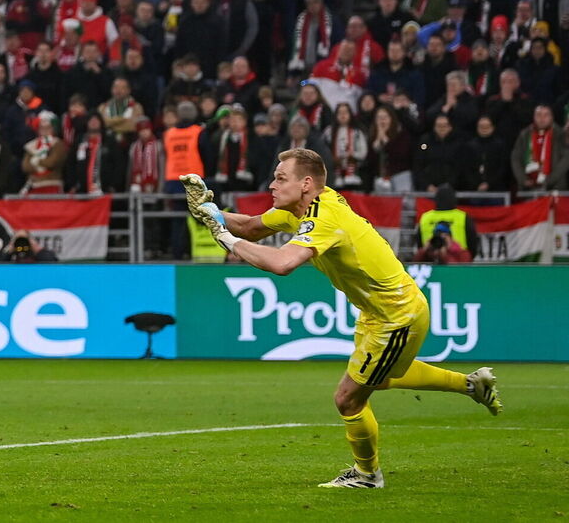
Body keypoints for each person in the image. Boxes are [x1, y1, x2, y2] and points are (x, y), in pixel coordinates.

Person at [181, 150, 501, 489]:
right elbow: (252, 226)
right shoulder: (300, 209)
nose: (272, 184)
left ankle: (367, 475)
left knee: (348, 398)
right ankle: (470, 385)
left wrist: (227, 240)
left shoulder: (324, 216)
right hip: (377, 312)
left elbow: (282, 264)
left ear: (306, 184)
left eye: (280, 178)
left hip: (397, 315)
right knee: (380, 377)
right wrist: (212, 213)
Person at [417, 184, 480, 259]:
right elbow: (473, 242)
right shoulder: (463, 217)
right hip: (459, 263)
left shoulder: (425, 217)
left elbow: (419, 243)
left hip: (429, 262)